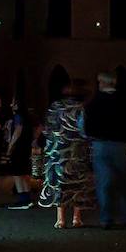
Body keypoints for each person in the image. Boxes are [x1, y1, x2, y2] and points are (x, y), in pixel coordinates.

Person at [83, 71, 126, 229]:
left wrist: (89, 138)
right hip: (121, 145)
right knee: (124, 182)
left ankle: (106, 218)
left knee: (104, 183)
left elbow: (86, 126)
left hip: (100, 145)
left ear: (101, 83)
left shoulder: (94, 103)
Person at [39, 80, 95, 229]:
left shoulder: (55, 107)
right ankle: (77, 218)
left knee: (60, 184)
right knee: (78, 184)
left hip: (58, 152)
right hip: (77, 152)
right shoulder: (82, 108)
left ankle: (60, 219)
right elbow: (85, 131)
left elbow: (47, 130)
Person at [2, 97, 35, 210]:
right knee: (23, 173)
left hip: (18, 148)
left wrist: (10, 145)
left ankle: (22, 199)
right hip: (25, 147)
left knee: (17, 173)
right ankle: (27, 198)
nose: (11, 105)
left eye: (14, 103)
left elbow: (17, 130)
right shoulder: (28, 117)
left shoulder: (18, 117)